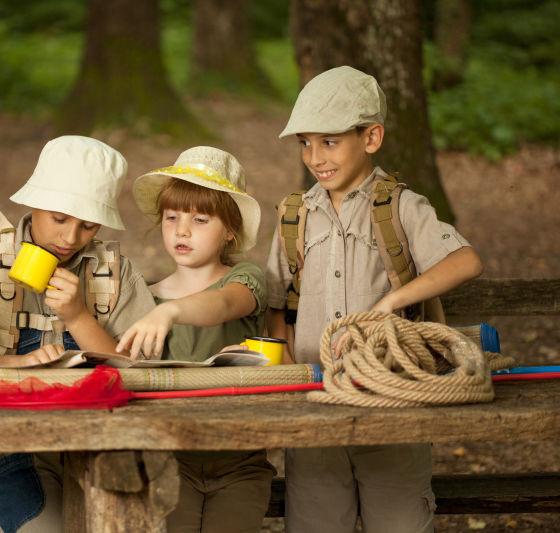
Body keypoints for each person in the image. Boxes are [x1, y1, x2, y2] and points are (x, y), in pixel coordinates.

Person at [265, 66, 484, 533]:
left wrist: (391, 303)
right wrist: (286, 372)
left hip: (394, 399)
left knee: (399, 521)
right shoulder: (294, 216)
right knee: (316, 521)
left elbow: (465, 261)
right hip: (316, 400)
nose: (314, 157)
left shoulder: (402, 207)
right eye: (305, 142)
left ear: (371, 137)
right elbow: (276, 305)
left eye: (329, 141)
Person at [0, 135, 156, 533]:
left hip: (103, 444)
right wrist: (15, 363)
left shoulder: (115, 273)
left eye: (87, 226)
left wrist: (79, 317)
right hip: (11, 445)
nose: (69, 238)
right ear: (33, 203)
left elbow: (140, 371)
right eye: (59, 218)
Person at [117, 146, 276, 532]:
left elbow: (221, 305)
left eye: (200, 219)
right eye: (172, 217)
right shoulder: (146, 296)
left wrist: (170, 311)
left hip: (239, 460)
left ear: (231, 231)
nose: (181, 230)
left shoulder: (245, 280)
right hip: (169, 460)